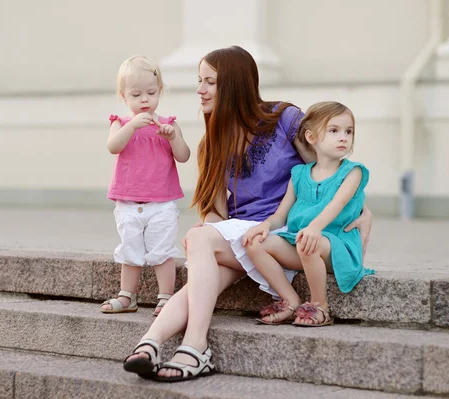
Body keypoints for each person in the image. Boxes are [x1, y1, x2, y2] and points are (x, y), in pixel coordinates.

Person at [122, 46, 373, 382]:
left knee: (201, 242)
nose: (200, 89)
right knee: (200, 262)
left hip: (281, 234)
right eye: (200, 81)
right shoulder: (212, 142)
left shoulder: (284, 118)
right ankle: (150, 343)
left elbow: (327, 168)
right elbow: (216, 211)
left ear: (235, 83)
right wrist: (206, 237)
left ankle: (195, 346)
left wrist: (362, 210)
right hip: (243, 237)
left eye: (210, 81)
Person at [242, 101, 374, 327]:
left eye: (348, 131)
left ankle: (320, 306)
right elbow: (282, 214)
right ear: (312, 138)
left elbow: (337, 204)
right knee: (254, 243)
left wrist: (314, 228)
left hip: (338, 247)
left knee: (307, 240)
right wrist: (265, 225)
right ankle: (289, 299)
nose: (343, 137)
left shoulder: (352, 172)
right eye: (334, 131)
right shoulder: (299, 174)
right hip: (303, 242)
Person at [101, 55, 191, 317]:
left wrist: (173, 137)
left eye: (151, 93)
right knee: (130, 251)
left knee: (162, 252)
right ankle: (127, 296)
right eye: (136, 94)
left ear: (159, 92)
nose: (144, 100)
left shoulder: (168, 125)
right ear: (124, 96)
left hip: (161, 203)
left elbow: (183, 155)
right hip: (128, 203)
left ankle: (166, 298)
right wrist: (131, 128)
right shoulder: (120, 123)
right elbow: (112, 147)